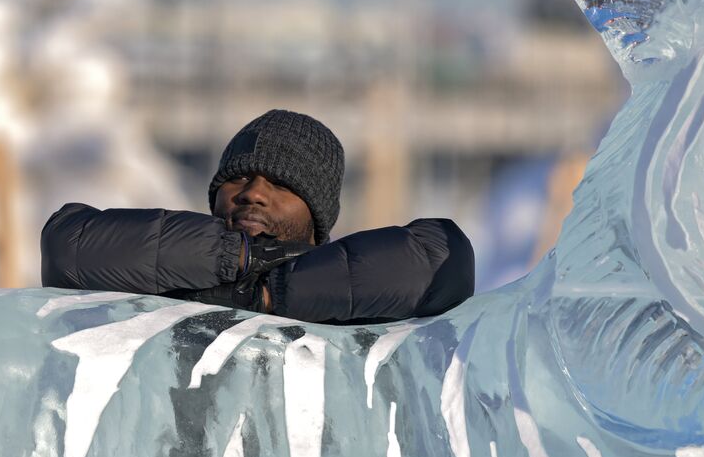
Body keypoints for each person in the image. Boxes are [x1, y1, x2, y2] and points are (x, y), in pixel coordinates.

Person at [40, 109, 474, 324]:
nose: (253, 194)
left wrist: (264, 295)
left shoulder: (356, 300)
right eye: (238, 179)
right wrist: (237, 262)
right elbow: (66, 246)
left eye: (282, 186)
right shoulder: (167, 279)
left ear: (318, 214)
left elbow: (442, 259)